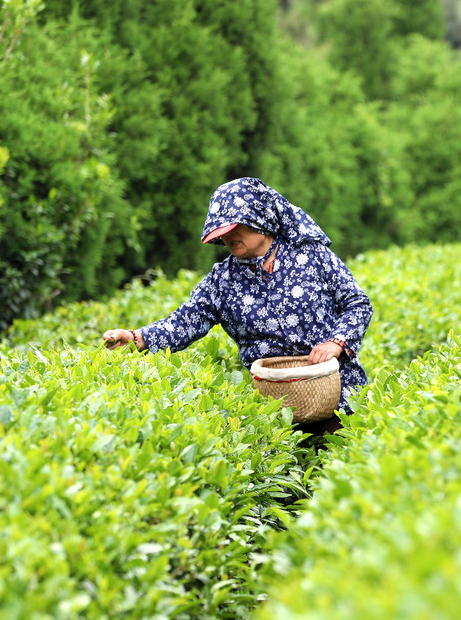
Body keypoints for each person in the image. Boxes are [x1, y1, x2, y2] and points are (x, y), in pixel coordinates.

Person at [102, 177, 373, 437]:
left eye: (235, 227)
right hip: (277, 407)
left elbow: (357, 304)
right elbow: (185, 321)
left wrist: (336, 343)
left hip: (337, 395)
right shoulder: (222, 280)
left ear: (260, 219)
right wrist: (138, 337)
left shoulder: (311, 256)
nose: (229, 236)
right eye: (223, 231)